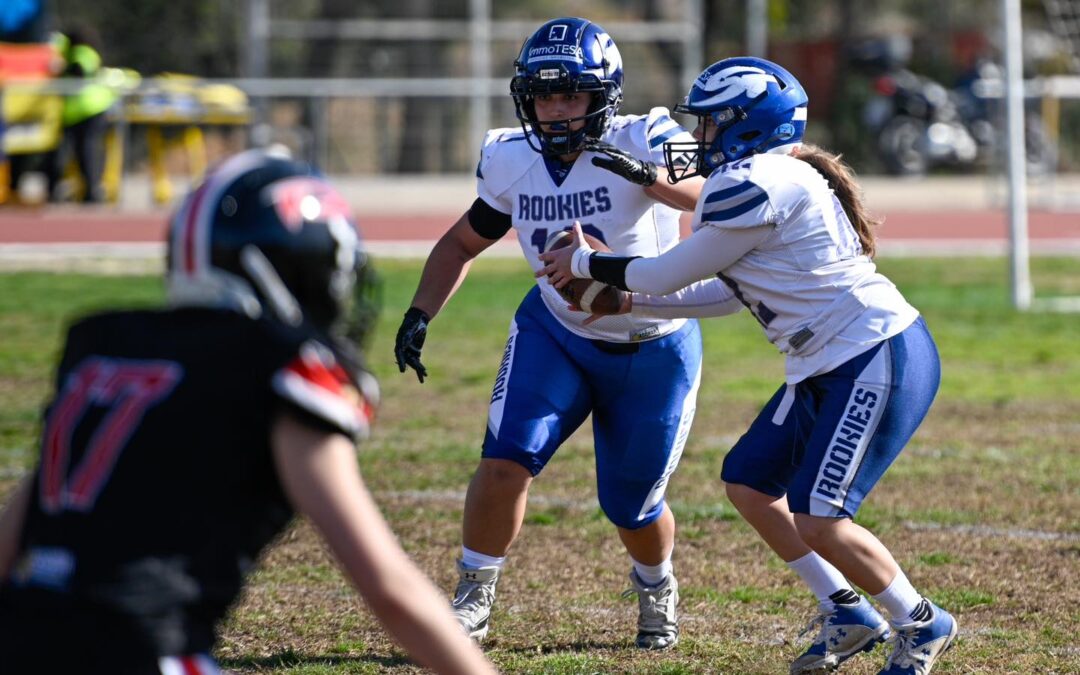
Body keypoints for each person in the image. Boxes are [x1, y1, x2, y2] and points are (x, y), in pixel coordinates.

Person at [0, 149, 497, 675]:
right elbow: (389, 587)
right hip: (138, 651)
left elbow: (13, 538)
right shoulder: (276, 368)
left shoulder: (103, 351)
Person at [538, 57, 958, 675]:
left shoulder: (757, 180)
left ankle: (921, 621)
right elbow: (723, 294)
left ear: (748, 126)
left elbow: (666, 272)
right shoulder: (767, 176)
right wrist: (628, 302)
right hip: (827, 359)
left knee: (820, 517)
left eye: (709, 123)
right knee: (749, 483)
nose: (697, 136)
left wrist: (584, 265)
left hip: (872, 353)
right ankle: (845, 610)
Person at [394, 17, 728, 650]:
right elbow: (463, 242)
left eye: (571, 93)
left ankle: (656, 583)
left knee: (632, 506)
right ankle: (473, 595)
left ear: (604, 96)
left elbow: (712, 199)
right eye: (543, 95)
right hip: (557, 331)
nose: (555, 110)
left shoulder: (647, 137)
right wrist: (420, 312)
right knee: (504, 461)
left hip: (652, 343)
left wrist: (643, 175)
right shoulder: (510, 157)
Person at [47, 26, 117, 203]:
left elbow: (80, 70)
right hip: (76, 113)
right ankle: (77, 191)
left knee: (87, 151)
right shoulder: (70, 52)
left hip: (89, 110)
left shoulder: (82, 52)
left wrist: (62, 69)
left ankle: (92, 193)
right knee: (77, 153)